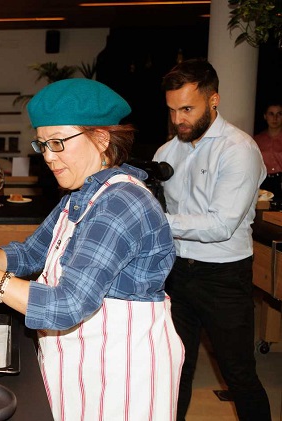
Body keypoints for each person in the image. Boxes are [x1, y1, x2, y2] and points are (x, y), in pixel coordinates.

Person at [0, 78, 184, 420]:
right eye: (42, 145)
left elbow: (68, 304)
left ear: (101, 138)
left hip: (122, 376)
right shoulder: (81, 195)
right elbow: (30, 254)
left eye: (57, 143)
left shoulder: (122, 203)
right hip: (82, 364)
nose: (47, 156)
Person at [153, 59, 271, 421]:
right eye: (172, 110)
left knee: (239, 374)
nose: (178, 120)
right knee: (175, 370)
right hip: (177, 274)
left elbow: (220, 225)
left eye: (187, 109)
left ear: (213, 99)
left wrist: (155, 221)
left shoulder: (239, 149)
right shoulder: (166, 152)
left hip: (223, 276)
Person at [254, 100, 282, 202]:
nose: (275, 118)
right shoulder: (257, 140)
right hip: (264, 182)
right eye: (271, 114)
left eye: (279, 114)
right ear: (265, 116)